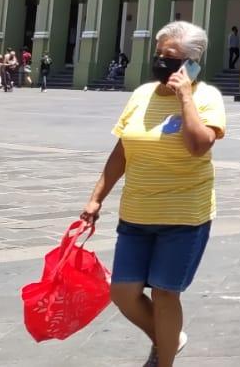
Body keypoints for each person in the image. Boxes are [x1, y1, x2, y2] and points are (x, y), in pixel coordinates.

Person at [79, 21, 226, 367]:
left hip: (183, 217)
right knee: (123, 293)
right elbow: (122, 151)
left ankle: (165, 360)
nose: (161, 61)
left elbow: (199, 146)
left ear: (191, 62)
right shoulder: (141, 95)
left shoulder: (207, 97)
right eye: (158, 54)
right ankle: (170, 339)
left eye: (170, 56)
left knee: (164, 293)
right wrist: (96, 197)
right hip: (136, 215)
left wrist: (185, 97)